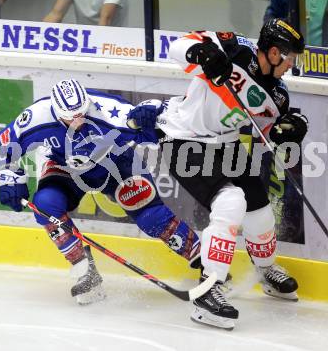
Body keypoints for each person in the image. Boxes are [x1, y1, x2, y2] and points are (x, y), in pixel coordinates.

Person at [128, 19, 308, 329]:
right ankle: (207, 292)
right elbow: (178, 46)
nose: (292, 65)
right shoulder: (234, 49)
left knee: (260, 210)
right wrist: (201, 52)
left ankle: (264, 270)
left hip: (226, 145)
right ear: (275, 52)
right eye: (291, 57)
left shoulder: (278, 94)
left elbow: (268, 131)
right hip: (183, 138)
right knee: (231, 201)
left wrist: (287, 131)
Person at [0, 79, 202, 305]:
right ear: (57, 111)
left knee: (151, 216)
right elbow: (2, 147)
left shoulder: (108, 109)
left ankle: (206, 265)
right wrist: (9, 179)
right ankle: (85, 271)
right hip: (65, 169)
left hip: (117, 165)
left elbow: (157, 123)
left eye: (82, 112)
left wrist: (150, 119)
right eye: (71, 117)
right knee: (45, 205)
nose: (78, 120)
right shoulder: (36, 117)